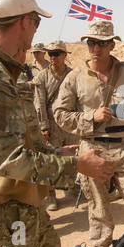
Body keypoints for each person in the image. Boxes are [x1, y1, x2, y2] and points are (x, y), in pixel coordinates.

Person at [0, 0, 115, 247]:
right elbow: (8, 160)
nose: (37, 29)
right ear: (25, 21)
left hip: (25, 203)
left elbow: (15, 140)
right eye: (37, 22)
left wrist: (54, 152)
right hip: (7, 210)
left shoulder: (0, 69)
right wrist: (75, 165)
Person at [53, 20, 124, 247]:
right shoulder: (75, 77)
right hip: (92, 150)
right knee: (99, 208)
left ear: (112, 44)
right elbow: (60, 115)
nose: (96, 49)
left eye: (102, 43)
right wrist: (91, 117)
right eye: (91, 43)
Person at [33, 40, 80, 211]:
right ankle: (50, 195)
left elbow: (79, 100)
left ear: (65, 55)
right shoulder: (41, 77)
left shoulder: (74, 75)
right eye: (50, 54)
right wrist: (44, 126)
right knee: (51, 160)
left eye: (57, 54)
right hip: (52, 125)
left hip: (69, 124)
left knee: (73, 156)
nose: (53, 57)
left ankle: (72, 187)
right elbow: (39, 103)